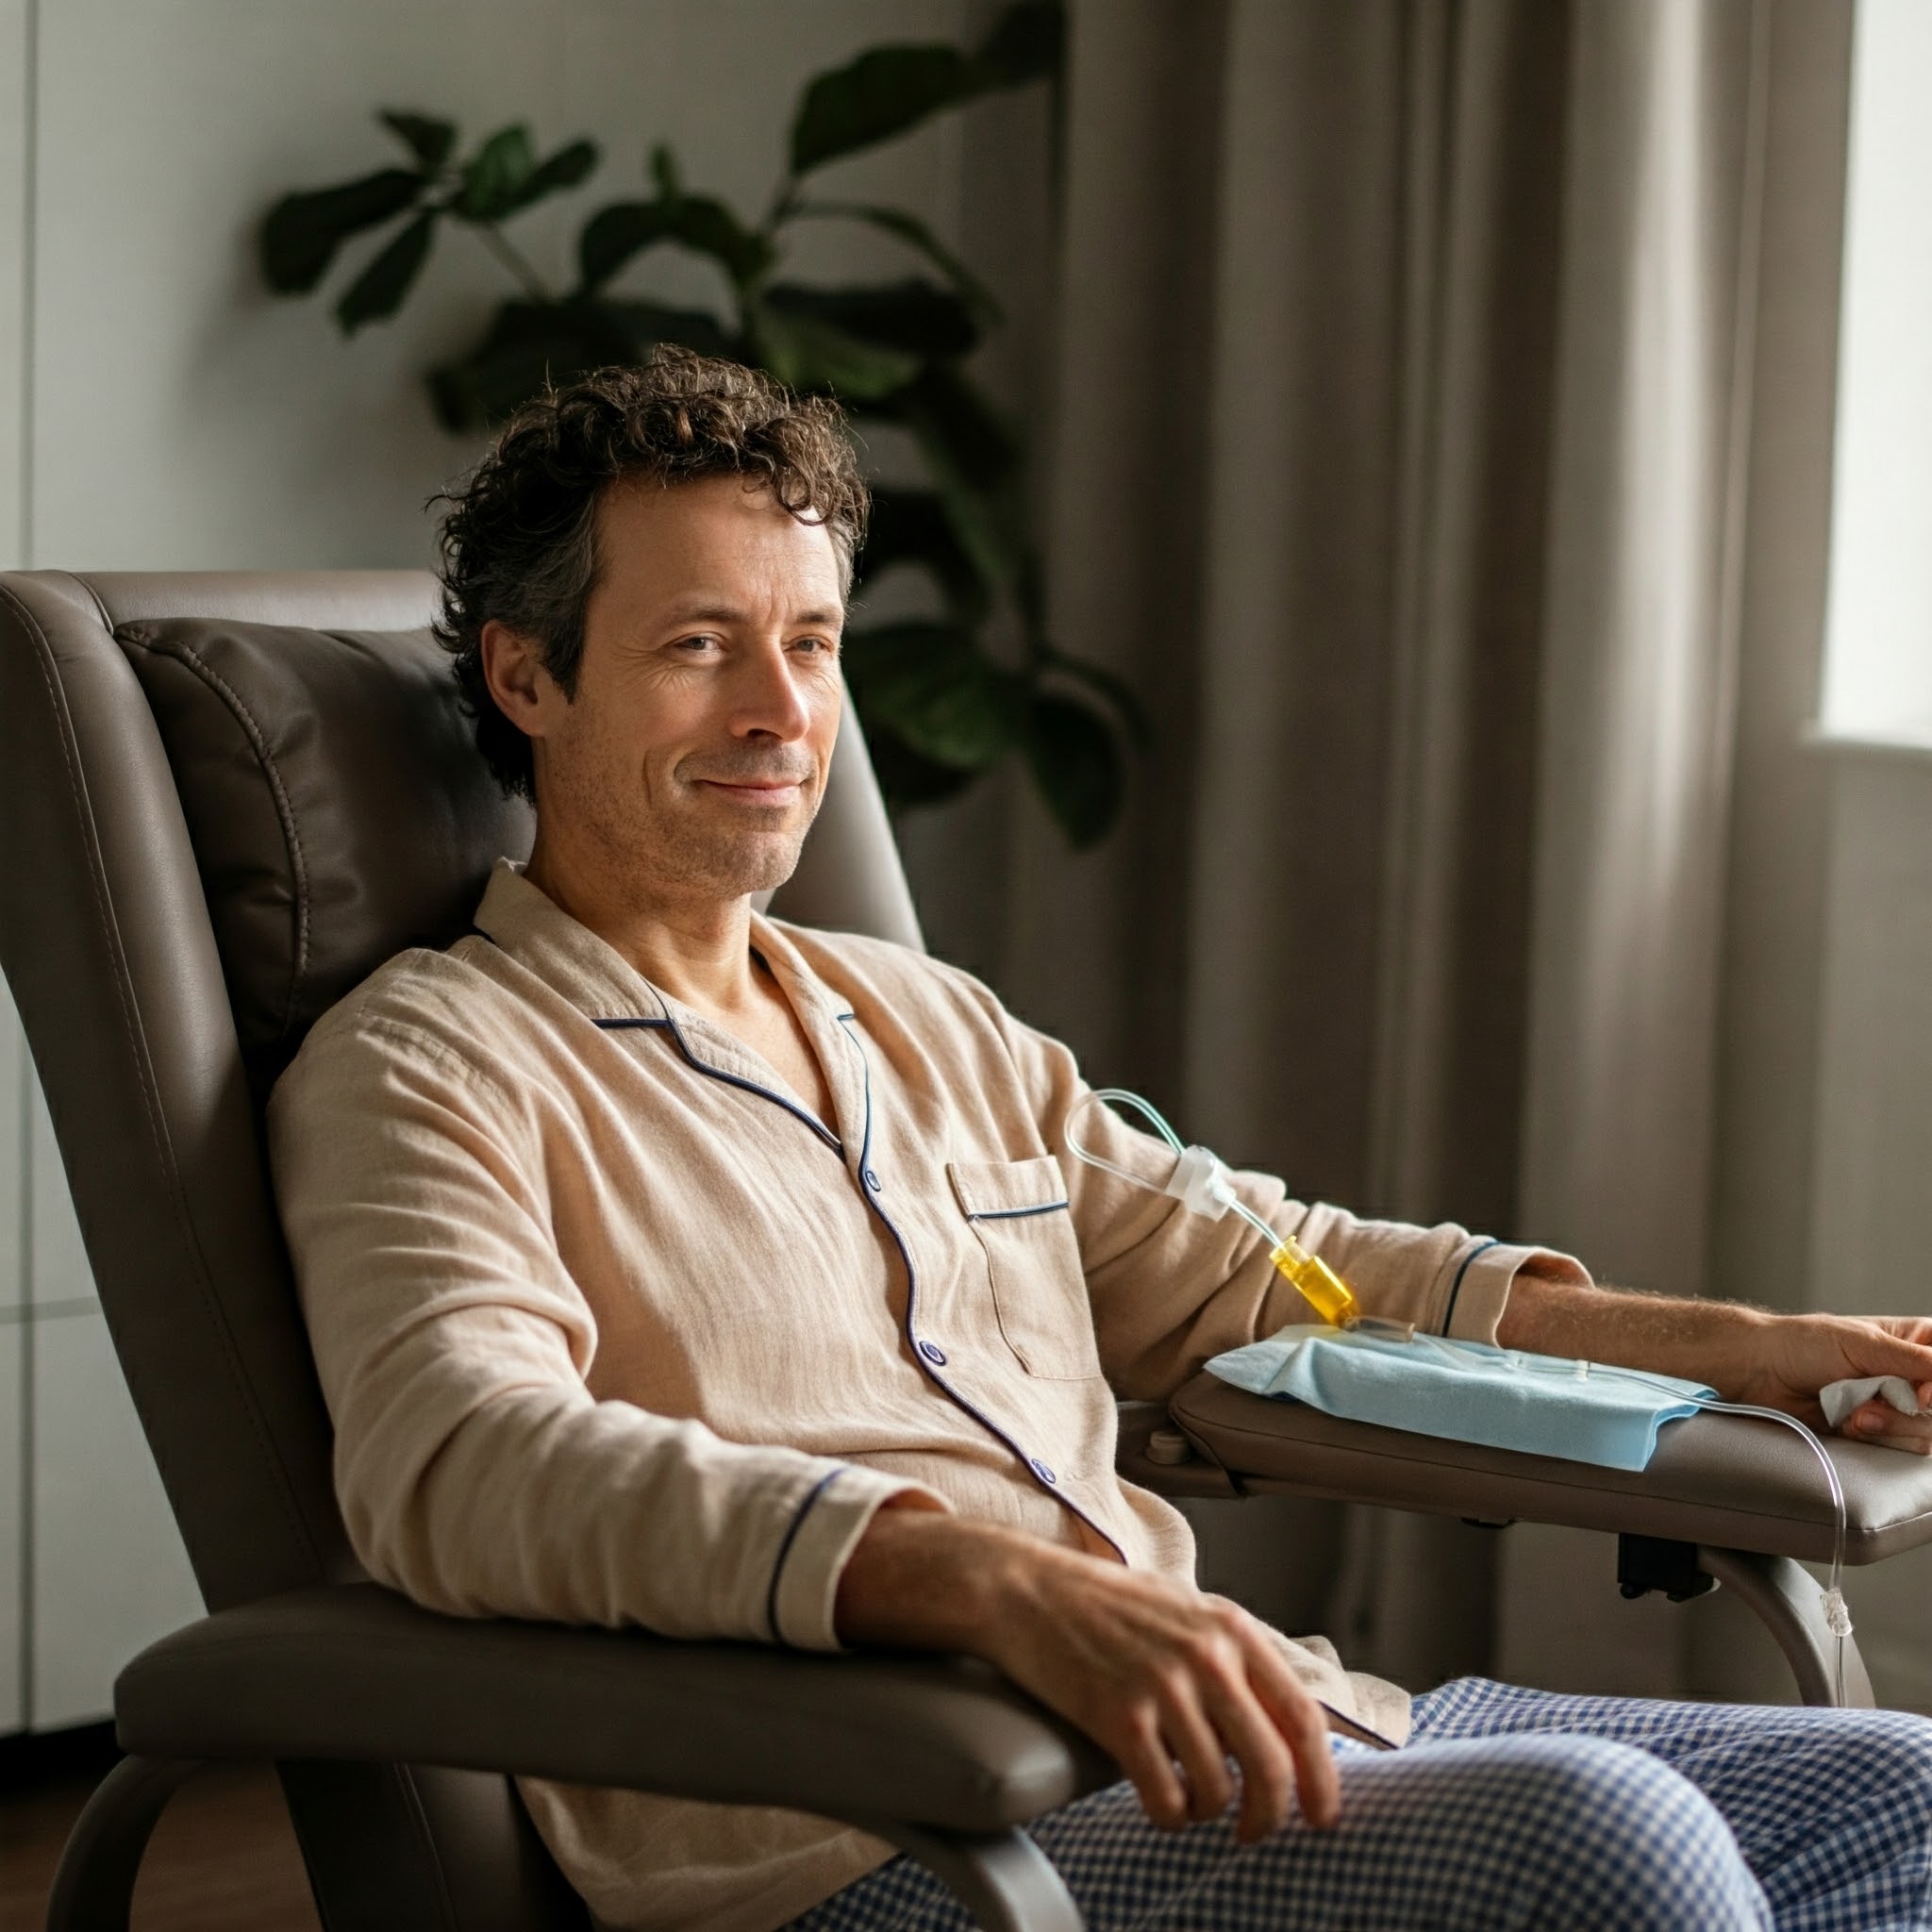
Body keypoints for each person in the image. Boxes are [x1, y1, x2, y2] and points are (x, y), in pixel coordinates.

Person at [268, 350, 1932, 1932]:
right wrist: (988, 1587)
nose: (783, 712)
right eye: (701, 644)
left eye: (815, 640)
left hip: (1247, 1735)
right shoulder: (431, 1066)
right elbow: (467, 1462)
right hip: (879, 1844)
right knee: (1597, 1843)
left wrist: (1745, 1350)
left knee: (1911, 1792)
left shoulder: (925, 1023)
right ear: (526, 674)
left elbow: (1286, 1281)